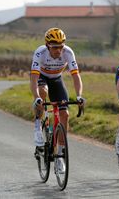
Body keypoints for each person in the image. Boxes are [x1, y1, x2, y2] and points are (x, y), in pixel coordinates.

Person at [30, 27, 85, 172]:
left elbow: (76, 76)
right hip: (42, 77)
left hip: (56, 79)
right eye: (55, 47)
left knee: (65, 114)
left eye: (61, 46)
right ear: (48, 45)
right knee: (42, 92)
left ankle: (60, 155)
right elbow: (34, 78)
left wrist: (79, 95)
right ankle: (37, 126)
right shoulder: (40, 52)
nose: (59, 50)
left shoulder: (68, 52)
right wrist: (36, 98)